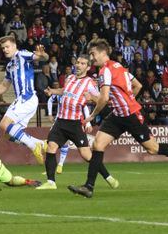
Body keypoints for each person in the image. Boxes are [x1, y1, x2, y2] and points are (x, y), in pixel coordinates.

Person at [68, 39, 168, 198]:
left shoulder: (105, 71)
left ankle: (89, 186)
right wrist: (125, 101)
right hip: (118, 114)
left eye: (93, 54)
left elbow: (104, 97)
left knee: (152, 149)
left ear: (102, 53)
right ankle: (88, 186)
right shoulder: (119, 66)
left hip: (130, 115)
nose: (92, 58)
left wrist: (92, 116)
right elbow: (137, 85)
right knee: (98, 145)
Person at [36, 55, 118, 190]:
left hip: (74, 124)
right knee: (51, 147)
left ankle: (108, 177)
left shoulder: (90, 83)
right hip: (61, 121)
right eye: (78, 62)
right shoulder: (69, 78)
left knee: (87, 155)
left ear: (88, 67)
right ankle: (51, 182)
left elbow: (101, 100)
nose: (78, 65)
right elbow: (64, 91)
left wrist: (91, 97)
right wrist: (53, 91)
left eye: (82, 63)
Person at [0, 35, 48, 165]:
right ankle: (40, 143)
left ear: (15, 46)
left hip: (26, 97)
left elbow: (41, 57)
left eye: (7, 47)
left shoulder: (22, 54)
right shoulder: (10, 66)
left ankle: (34, 145)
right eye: (3, 48)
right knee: (7, 135)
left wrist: (43, 54)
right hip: (25, 101)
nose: (5, 50)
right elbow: (4, 87)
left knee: (4, 124)